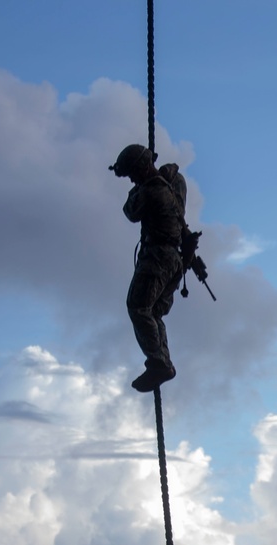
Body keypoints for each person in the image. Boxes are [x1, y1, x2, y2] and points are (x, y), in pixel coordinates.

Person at [109, 143, 188, 393]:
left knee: (138, 307)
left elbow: (130, 211)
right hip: (174, 260)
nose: (132, 179)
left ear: (143, 167)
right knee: (153, 313)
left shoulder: (152, 191)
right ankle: (162, 362)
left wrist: (142, 186)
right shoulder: (174, 184)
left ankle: (159, 363)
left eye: (133, 173)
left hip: (157, 258)